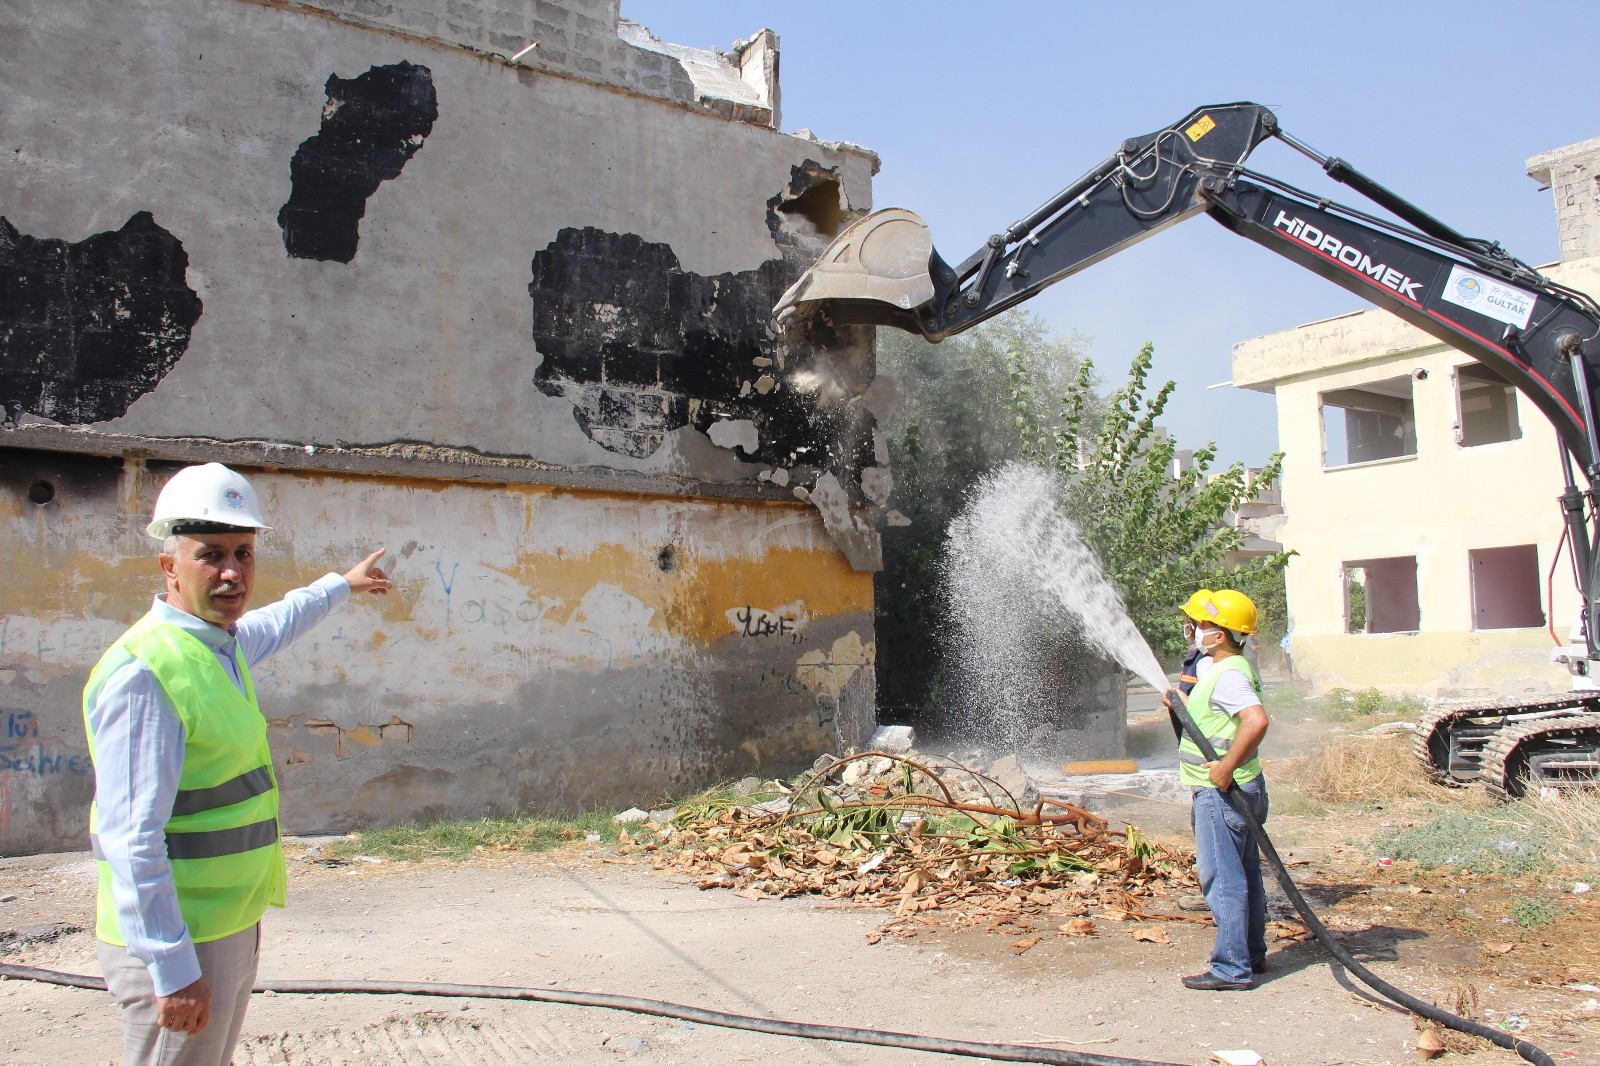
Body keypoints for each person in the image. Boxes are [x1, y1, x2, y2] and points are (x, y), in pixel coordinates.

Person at [82, 463, 391, 1065]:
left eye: (244, 554)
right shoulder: (147, 674)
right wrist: (171, 968)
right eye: (211, 555)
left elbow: (276, 622)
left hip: (223, 924)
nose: (232, 573)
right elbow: (130, 839)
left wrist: (341, 584)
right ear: (168, 566)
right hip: (178, 937)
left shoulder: (216, 645)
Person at [1162, 588, 1269, 991]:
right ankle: (1252, 954)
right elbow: (1216, 722)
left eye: (1202, 625)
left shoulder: (1228, 674)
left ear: (1220, 634)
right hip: (1243, 788)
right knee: (1245, 874)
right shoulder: (1231, 667)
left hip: (1222, 794)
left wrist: (1225, 768)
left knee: (1222, 879)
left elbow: (1255, 721)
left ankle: (1230, 968)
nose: (1195, 630)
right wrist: (1179, 706)